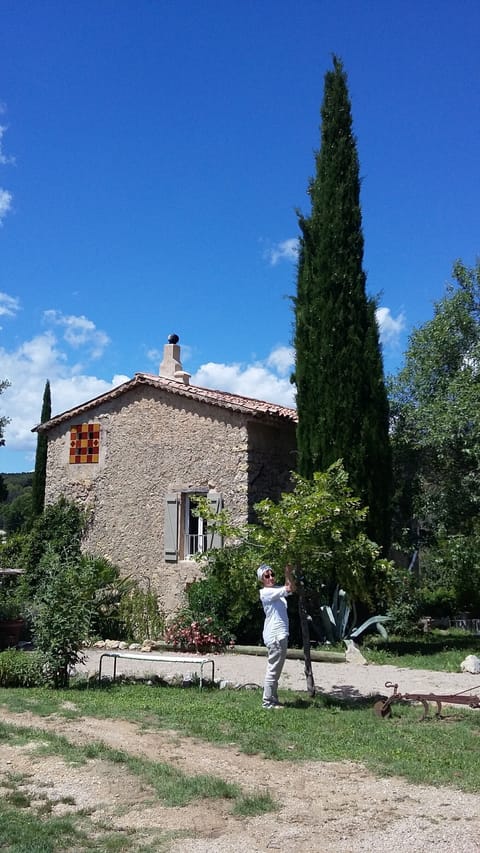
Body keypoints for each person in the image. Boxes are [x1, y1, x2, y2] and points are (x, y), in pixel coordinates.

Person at [257, 562, 296, 709]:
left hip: (280, 634)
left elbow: (291, 588)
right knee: (273, 669)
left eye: (272, 574)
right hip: (275, 636)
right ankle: (268, 702)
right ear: (262, 579)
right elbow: (289, 587)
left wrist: (288, 574)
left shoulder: (275, 591)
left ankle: (273, 699)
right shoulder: (266, 593)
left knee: (276, 670)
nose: (271, 577)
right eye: (267, 576)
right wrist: (287, 572)